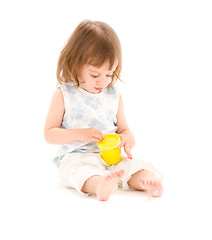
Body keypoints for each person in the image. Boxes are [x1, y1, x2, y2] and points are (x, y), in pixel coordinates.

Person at [44, 20, 163, 201]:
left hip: (111, 156)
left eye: (109, 74)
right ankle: (100, 185)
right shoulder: (64, 95)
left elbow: (125, 130)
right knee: (79, 172)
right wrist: (80, 134)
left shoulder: (114, 95)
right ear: (76, 65)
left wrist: (126, 139)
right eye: (95, 74)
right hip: (77, 156)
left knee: (131, 166)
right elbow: (49, 134)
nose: (103, 81)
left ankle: (148, 181)